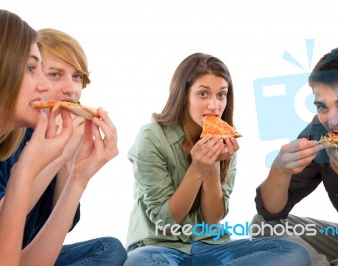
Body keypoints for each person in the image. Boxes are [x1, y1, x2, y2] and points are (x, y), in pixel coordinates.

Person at [124, 53, 311, 265]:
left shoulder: (226, 140)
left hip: (211, 247)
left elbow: (212, 220)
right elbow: (166, 222)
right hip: (156, 247)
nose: (214, 106)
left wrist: (213, 165)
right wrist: (197, 170)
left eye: (221, 95)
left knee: (293, 252)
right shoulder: (151, 138)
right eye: (203, 94)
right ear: (183, 95)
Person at [0, 28, 127, 265]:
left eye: (77, 76)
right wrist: (56, 157)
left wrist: (74, 170)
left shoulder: (57, 133)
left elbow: (59, 226)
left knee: (108, 248)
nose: (71, 89)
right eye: (55, 74)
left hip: (28, 255)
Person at [0, 6, 73, 265]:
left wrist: (79, 177)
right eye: (30, 68)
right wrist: (24, 173)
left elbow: (18, 263)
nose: (46, 86)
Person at [253, 47, 338, 266]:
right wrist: (279, 170)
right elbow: (270, 212)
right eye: (323, 106)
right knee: (262, 224)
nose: (333, 121)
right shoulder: (319, 133)